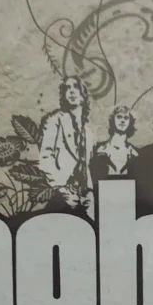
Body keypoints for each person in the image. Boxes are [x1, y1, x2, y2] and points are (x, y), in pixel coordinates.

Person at [38, 76, 93, 207]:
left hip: (86, 193)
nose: (72, 91)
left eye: (76, 87)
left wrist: (90, 191)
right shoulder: (54, 120)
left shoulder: (88, 130)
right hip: (65, 190)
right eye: (67, 88)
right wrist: (61, 189)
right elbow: (46, 157)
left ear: (83, 94)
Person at [90, 105, 139, 184]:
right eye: (119, 117)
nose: (122, 120)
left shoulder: (135, 153)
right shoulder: (98, 149)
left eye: (126, 118)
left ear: (130, 122)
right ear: (112, 120)